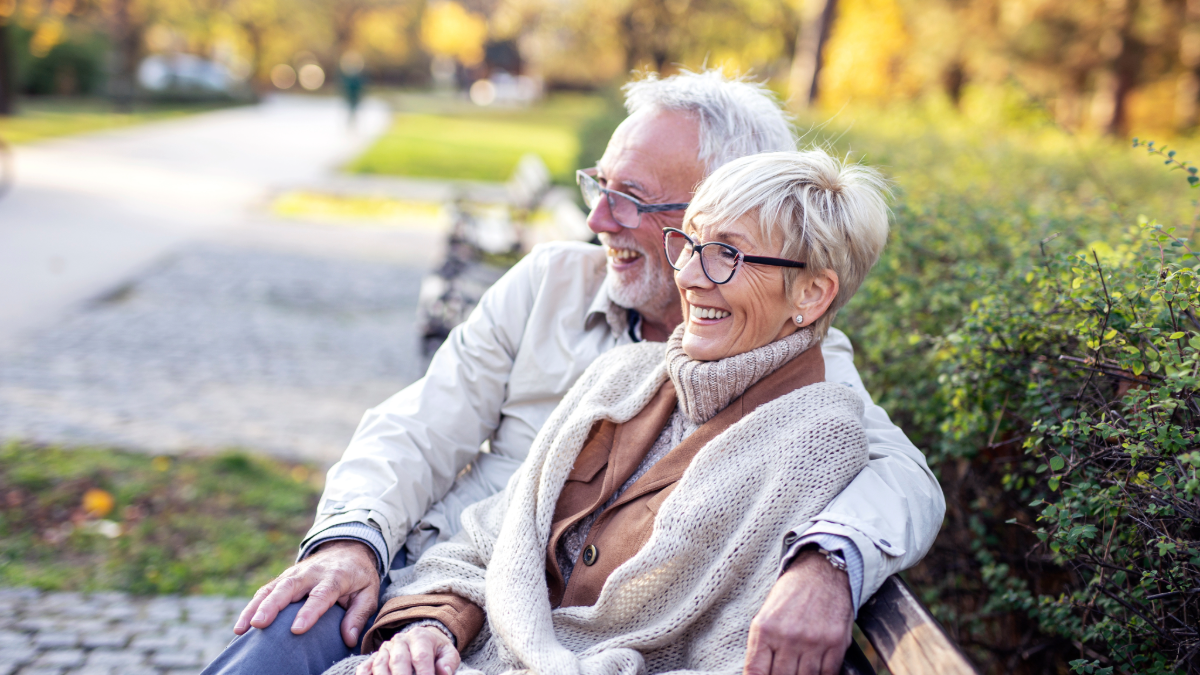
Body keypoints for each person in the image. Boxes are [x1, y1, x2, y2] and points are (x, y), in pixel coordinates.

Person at [201, 70, 945, 675]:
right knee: (279, 634)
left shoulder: (804, 383)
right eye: (601, 185)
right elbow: (416, 429)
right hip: (426, 588)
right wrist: (351, 540)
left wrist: (825, 563)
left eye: (633, 199)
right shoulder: (556, 284)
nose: (599, 220)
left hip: (538, 641)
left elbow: (900, 478)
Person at [329, 148, 891, 675]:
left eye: (727, 254)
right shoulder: (623, 374)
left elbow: (728, 658)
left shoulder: (816, 439)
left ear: (812, 294)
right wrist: (431, 626)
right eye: (689, 244)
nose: (690, 277)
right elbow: (487, 539)